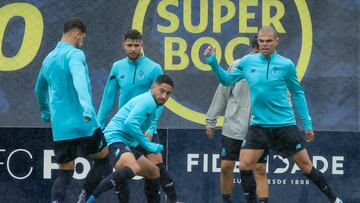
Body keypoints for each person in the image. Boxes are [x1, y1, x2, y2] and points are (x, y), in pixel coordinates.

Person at [204, 26, 342, 203]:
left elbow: (298, 94)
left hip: (284, 126)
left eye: (268, 41)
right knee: (245, 164)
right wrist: (213, 63)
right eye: (261, 41)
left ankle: (334, 199)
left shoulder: (286, 65)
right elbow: (226, 80)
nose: (264, 44)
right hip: (259, 127)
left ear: (277, 41)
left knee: (306, 167)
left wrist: (306, 124)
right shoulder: (246, 62)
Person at [95, 29, 177, 203]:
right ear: (123, 45)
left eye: (136, 45)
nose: (133, 49)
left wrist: (151, 128)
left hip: (145, 128)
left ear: (142, 45)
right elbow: (108, 97)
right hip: (124, 128)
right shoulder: (117, 67)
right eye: (129, 45)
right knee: (123, 170)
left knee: (156, 169)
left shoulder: (154, 68)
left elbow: (160, 101)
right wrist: (99, 125)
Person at [34, 18, 109, 203]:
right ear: (77, 34)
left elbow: (39, 89)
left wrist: (45, 111)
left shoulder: (48, 59)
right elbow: (79, 81)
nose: (82, 41)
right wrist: (87, 109)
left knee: (64, 174)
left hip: (61, 129)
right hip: (84, 124)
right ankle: (84, 198)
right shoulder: (75, 54)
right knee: (103, 161)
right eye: (82, 37)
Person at [86, 75, 174, 203]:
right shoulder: (148, 101)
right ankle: (90, 199)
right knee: (134, 168)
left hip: (125, 143)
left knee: (154, 171)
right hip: (113, 140)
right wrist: (148, 145)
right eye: (162, 91)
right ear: (153, 88)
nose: (164, 96)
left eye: (168, 93)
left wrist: (146, 136)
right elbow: (129, 124)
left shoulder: (153, 104)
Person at [205, 36, 269, 203]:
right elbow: (223, 91)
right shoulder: (238, 65)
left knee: (259, 169)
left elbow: (283, 98)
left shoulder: (273, 69)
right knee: (226, 167)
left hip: (259, 129)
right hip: (233, 129)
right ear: (252, 50)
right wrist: (211, 119)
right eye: (254, 53)